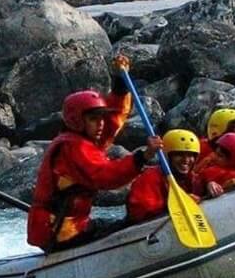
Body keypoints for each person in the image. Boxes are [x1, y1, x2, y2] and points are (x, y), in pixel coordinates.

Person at [28, 89, 161, 252]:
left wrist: (120, 90)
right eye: (93, 119)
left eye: (101, 118)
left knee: (119, 223)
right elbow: (105, 176)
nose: (101, 124)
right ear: (77, 121)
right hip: (59, 229)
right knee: (127, 225)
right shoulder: (73, 146)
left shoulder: (81, 138)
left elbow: (113, 122)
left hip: (66, 223)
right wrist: (143, 157)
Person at [126, 129, 223, 225]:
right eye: (179, 155)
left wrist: (209, 184)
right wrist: (174, 205)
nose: (186, 160)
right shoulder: (150, 177)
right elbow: (139, 212)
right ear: (168, 157)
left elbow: (202, 181)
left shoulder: (191, 178)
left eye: (190, 155)